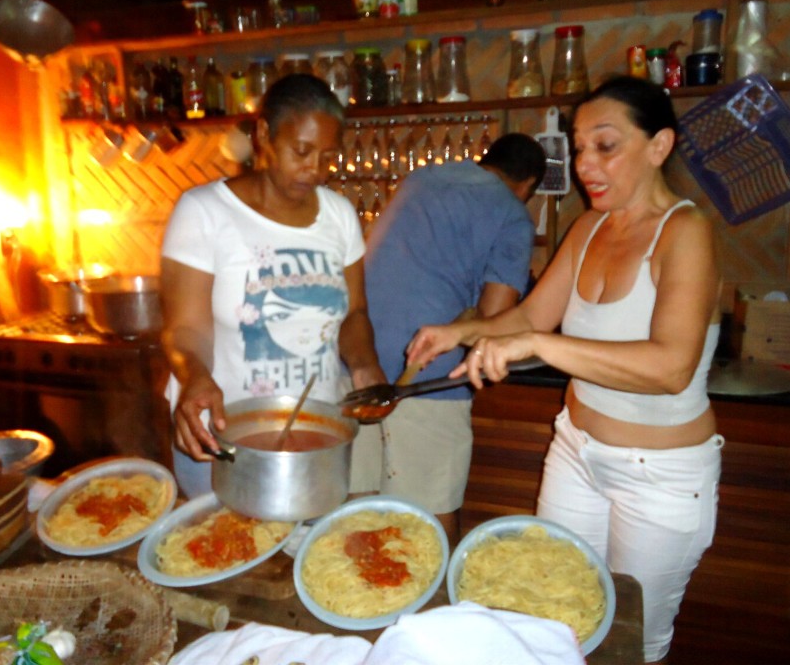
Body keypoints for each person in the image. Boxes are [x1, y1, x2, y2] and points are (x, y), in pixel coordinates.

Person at [407, 76, 724, 664]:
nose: (585, 165)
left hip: (661, 479)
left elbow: (671, 367)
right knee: (552, 619)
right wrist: (462, 330)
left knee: (633, 641)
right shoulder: (589, 227)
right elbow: (531, 315)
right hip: (576, 453)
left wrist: (539, 345)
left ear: (659, 146)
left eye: (605, 146)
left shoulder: (687, 233)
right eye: (578, 148)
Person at [160, 73, 386, 497]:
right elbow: (185, 327)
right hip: (223, 434)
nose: (315, 170)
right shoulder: (204, 212)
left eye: (327, 157)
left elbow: (354, 312)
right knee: (223, 555)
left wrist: (362, 363)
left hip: (315, 434)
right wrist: (194, 375)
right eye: (301, 151)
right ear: (264, 133)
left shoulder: (339, 216)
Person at [351, 133, 546, 544]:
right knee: (427, 521)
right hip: (428, 374)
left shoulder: (419, 179)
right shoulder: (513, 214)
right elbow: (495, 321)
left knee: (359, 509)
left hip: (357, 362)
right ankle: (434, 606)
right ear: (527, 186)